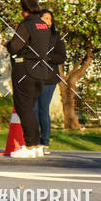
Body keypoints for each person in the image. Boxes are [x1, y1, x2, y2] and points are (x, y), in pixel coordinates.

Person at [5, 0, 51, 159]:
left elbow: (16, 46)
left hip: (24, 69)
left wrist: (8, 44)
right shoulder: (44, 25)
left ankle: (31, 145)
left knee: (24, 108)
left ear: (23, 7)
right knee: (31, 108)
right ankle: (37, 146)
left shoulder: (27, 24)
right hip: (41, 71)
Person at [33, 9, 67, 155]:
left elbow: (62, 57)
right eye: (44, 18)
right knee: (32, 110)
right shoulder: (32, 35)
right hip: (33, 77)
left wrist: (47, 58)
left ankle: (44, 142)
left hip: (49, 78)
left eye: (49, 19)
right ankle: (32, 143)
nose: (46, 21)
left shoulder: (56, 37)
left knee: (42, 109)